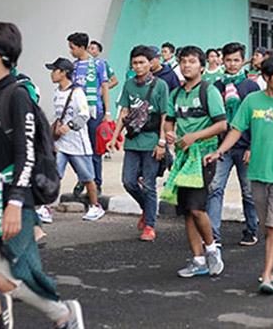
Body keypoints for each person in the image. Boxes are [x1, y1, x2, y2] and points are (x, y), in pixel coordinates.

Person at [0, 22, 84, 328]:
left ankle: (63, 314)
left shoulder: (17, 95)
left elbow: (25, 154)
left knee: (6, 276)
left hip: (14, 196)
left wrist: (14, 203)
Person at [205, 55, 273, 295]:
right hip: (258, 172)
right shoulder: (252, 101)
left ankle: (267, 275)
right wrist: (219, 151)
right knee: (267, 226)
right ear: (266, 77)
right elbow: (236, 130)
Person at [164, 46, 226, 278]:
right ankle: (198, 259)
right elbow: (169, 121)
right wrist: (170, 134)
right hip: (183, 157)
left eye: (191, 61)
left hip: (203, 156)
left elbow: (222, 125)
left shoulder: (209, 91)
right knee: (187, 211)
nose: (186, 65)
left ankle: (212, 249)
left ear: (201, 66)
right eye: (183, 61)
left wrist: (194, 137)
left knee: (197, 208)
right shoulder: (176, 94)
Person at [107, 46, 168, 241]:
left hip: (151, 142)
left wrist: (162, 142)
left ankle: (150, 225)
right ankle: (147, 209)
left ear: (151, 63)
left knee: (149, 185)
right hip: (132, 141)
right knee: (129, 182)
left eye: (142, 62)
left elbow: (165, 115)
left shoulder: (160, 86)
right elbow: (123, 112)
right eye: (135, 63)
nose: (138, 66)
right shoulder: (128, 85)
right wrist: (115, 136)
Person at [207, 42, 261, 247]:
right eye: (228, 60)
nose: (232, 64)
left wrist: (252, 147)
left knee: (248, 191)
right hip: (222, 146)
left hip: (245, 145)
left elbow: (257, 120)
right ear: (222, 60)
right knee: (214, 188)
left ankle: (251, 229)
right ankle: (213, 234)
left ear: (242, 60)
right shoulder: (216, 87)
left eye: (236, 60)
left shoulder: (251, 86)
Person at [47, 57, 105, 221]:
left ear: (63, 72)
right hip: (61, 144)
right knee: (55, 175)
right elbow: (57, 116)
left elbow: (85, 114)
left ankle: (95, 206)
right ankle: (46, 207)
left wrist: (70, 126)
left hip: (78, 144)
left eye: (54, 70)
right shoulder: (57, 92)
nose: (52, 74)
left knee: (87, 177)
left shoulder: (77, 92)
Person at [68, 32, 111, 193]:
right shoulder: (73, 66)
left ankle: (97, 183)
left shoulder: (99, 64)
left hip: (95, 112)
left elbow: (105, 86)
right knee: (79, 149)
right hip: (79, 113)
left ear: (81, 47)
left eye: (72, 48)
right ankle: (83, 179)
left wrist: (107, 112)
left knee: (95, 150)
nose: (70, 51)